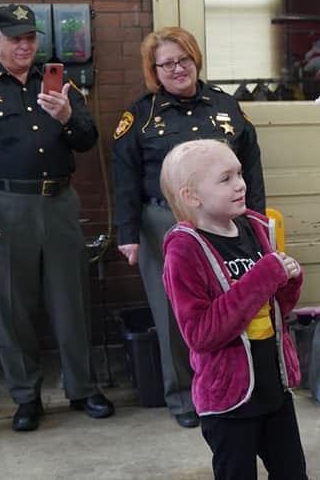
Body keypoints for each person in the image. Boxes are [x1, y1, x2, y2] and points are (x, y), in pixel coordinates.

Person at [0, 4, 114, 431]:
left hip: (58, 203)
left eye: (30, 37)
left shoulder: (60, 85)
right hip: (2, 207)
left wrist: (68, 116)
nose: (25, 45)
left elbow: (88, 140)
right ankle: (25, 396)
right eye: (15, 38)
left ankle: (82, 388)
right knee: (11, 306)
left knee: (71, 299)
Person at [111, 27, 265, 428]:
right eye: (166, 64)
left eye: (184, 60)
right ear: (154, 70)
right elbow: (124, 177)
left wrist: (257, 221)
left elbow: (251, 167)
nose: (177, 69)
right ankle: (183, 395)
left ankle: (236, 384)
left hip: (226, 223)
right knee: (174, 313)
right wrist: (127, 234)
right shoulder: (140, 116)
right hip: (162, 223)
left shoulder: (227, 106)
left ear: (195, 59)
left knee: (231, 306)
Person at [160, 139, 306, 480]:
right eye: (225, 179)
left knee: (293, 473)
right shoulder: (184, 251)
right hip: (228, 400)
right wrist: (264, 277)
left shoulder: (255, 227)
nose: (241, 184)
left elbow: (275, 311)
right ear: (191, 196)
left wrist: (289, 282)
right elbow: (200, 334)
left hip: (273, 390)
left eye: (239, 173)